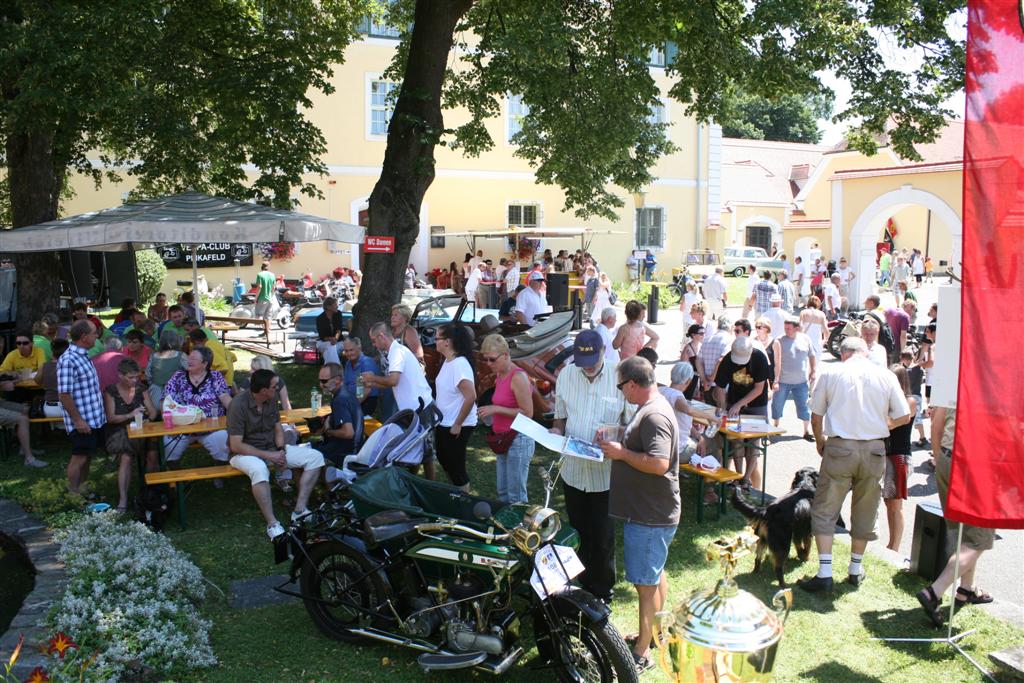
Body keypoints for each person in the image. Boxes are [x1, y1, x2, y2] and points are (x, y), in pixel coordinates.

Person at [801, 337, 910, 594]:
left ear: (843, 354)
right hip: (874, 449)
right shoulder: (884, 375)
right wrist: (883, 426)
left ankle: (825, 572)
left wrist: (820, 441)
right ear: (864, 353)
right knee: (866, 508)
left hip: (840, 446)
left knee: (826, 508)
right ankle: (854, 569)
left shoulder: (832, 372)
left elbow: (816, 416)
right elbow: (904, 414)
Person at [599, 356, 679, 672]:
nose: (622, 393)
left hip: (649, 516)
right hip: (651, 512)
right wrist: (618, 432)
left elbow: (659, 463)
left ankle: (642, 652)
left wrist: (621, 453)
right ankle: (655, 631)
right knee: (655, 575)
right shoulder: (649, 410)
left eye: (622, 387)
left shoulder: (654, 415)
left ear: (632, 383)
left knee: (644, 586)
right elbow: (642, 439)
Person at [550, 330, 629, 603]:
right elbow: (559, 417)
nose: (588, 367)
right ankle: (583, 585)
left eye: (593, 361)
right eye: (583, 362)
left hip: (604, 474)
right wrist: (556, 432)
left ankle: (603, 591)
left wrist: (614, 433)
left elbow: (631, 425)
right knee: (578, 531)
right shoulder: (566, 376)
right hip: (573, 470)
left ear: (604, 351)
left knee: (603, 536)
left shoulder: (620, 377)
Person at [916, 406, 995, 627]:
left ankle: (966, 589)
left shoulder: (956, 376)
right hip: (976, 464)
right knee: (978, 539)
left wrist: (939, 458)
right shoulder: (999, 387)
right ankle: (935, 592)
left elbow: (936, 422)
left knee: (961, 531)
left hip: (947, 458)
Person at [228, 369, 325, 540]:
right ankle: (273, 524)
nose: (278, 388)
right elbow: (236, 445)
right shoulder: (238, 405)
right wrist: (268, 455)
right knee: (259, 469)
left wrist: (280, 452)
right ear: (264, 390)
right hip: (244, 454)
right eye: (274, 386)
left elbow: (278, 429)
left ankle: (300, 509)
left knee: (315, 457)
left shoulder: (270, 400)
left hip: (272, 449)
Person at [363, 322, 435, 478]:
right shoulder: (395, 351)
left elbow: (393, 381)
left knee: (427, 453)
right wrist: (372, 382)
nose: (374, 344)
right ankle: (413, 482)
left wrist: (372, 378)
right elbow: (394, 384)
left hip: (421, 406)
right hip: (414, 408)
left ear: (382, 336)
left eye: (374, 340)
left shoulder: (397, 352)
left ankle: (430, 486)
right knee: (413, 448)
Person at [476, 334, 534, 504]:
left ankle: (519, 529)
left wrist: (496, 409)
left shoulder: (518, 377)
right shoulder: (500, 374)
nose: (488, 364)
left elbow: (528, 412)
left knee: (515, 496)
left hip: (518, 439)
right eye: (485, 359)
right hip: (504, 440)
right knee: (503, 492)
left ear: (506, 356)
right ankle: (508, 528)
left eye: (492, 359)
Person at [162, 347, 232, 469]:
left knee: (222, 439)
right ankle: (176, 479)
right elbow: (166, 400)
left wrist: (239, 412)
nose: (189, 360)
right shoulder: (178, 376)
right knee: (168, 443)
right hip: (181, 429)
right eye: (189, 357)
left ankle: (219, 472)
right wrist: (169, 418)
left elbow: (226, 398)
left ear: (205, 363)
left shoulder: (215, 377)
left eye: (193, 358)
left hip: (211, 429)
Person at [714, 336, 770, 489]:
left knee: (753, 443)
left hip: (756, 405)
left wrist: (739, 404)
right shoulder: (727, 360)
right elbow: (719, 387)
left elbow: (759, 388)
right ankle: (738, 476)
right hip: (733, 402)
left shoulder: (759, 358)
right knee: (736, 440)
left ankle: (746, 479)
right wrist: (722, 406)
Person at [103, 358, 158, 513]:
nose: (135, 380)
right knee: (127, 456)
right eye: (131, 377)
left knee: (153, 454)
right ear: (120, 375)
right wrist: (130, 414)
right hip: (118, 431)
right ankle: (123, 499)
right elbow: (111, 418)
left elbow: (153, 411)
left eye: (137, 377)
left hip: (141, 429)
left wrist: (148, 416)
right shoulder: (111, 391)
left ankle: (150, 492)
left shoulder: (141, 389)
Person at [58, 320, 106, 495]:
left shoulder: (83, 355)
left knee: (87, 456)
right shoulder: (69, 360)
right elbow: (64, 394)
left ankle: (82, 489)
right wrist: (78, 420)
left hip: (93, 419)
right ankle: (73, 494)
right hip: (82, 420)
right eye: (94, 332)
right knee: (79, 457)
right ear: (84, 337)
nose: (97, 335)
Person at [433, 324, 478, 491]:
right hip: (445, 422)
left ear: (447, 342)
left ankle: (464, 502)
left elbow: (471, 396)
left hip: (458, 424)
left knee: (456, 467)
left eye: (437, 338)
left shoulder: (459, 364)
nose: (434, 341)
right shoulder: (448, 361)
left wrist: (458, 423)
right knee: (444, 459)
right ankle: (456, 494)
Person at [883, 364, 916, 552]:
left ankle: (894, 547)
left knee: (895, 505)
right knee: (889, 502)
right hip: (889, 456)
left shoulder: (909, 401)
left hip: (899, 457)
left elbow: (889, 424)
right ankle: (891, 544)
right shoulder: (889, 400)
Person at [772, 318, 816, 440]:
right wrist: (775, 379)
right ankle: (776, 426)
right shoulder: (779, 341)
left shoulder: (805, 339)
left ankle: (806, 431)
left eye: (789, 328)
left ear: (796, 328)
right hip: (783, 381)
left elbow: (812, 355)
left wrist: (813, 371)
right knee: (777, 405)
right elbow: (775, 360)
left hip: (801, 381)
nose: (786, 331)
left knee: (804, 406)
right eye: (785, 328)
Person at [314, 362, 362, 467]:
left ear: (338, 380)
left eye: (324, 381)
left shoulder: (340, 400)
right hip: (355, 449)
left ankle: (331, 481)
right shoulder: (347, 394)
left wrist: (328, 431)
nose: (321, 385)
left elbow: (348, 433)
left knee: (301, 456)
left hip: (343, 453)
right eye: (320, 381)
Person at [661, 362, 717, 453]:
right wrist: (710, 417)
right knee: (715, 445)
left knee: (705, 441)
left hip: (664, 443)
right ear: (688, 381)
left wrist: (699, 437)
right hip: (677, 449)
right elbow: (688, 410)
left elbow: (682, 422)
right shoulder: (677, 397)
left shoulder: (661, 391)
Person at [145, 330, 186, 406]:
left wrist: (153, 384)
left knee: (158, 408)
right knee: (176, 409)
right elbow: (189, 371)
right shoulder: (181, 355)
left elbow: (148, 374)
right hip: (176, 391)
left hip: (156, 390)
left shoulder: (153, 356)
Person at [341, 336, 380, 416]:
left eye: (351, 350)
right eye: (346, 351)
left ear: (359, 348)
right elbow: (345, 384)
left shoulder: (367, 363)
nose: (349, 353)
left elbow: (366, 390)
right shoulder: (348, 363)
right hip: (352, 399)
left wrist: (350, 406)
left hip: (365, 401)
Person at [697, 317, 733, 397]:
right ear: (731, 327)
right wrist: (713, 377)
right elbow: (721, 359)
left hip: (706, 385)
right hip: (722, 386)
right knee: (722, 408)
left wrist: (704, 380)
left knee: (709, 408)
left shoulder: (707, 339)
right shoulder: (729, 340)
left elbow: (698, 361)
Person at [35, 338, 69, 420]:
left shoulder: (44, 366)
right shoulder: (70, 366)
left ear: (52, 351)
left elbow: (37, 381)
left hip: (49, 409)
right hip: (68, 408)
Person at [316, 296, 345, 364]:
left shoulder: (338, 314)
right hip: (324, 342)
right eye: (335, 305)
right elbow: (322, 336)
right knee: (330, 346)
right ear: (328, 307)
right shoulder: (320, 319)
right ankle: (337, 368)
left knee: (331, 349)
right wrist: (331, 339)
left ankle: (329, 368)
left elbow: (339, 328)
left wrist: (335, 338)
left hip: (338, 341)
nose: (337, 306)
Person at [679, 324, 704, 400]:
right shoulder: (687, 348)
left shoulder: (701, 345)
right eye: (701, 333)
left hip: (700, 379)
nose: (703, 335)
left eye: (704, 333)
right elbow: (683, 367)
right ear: (693, 335)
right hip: (690, 379)